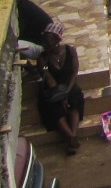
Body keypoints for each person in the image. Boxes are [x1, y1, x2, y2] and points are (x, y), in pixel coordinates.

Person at [36, 21, 85, 153]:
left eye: (49, 41)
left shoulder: (70, 51)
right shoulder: (43, 59)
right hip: (54, 90)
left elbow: (74, 73)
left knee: (76, 95)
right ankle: (71, 137)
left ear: (57, 40)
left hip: (69, 86)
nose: (46, 44)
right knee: (54, 106)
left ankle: (71, 137)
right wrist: (61, 97)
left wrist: (67, 92)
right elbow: (50, 81)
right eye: (45, 41)